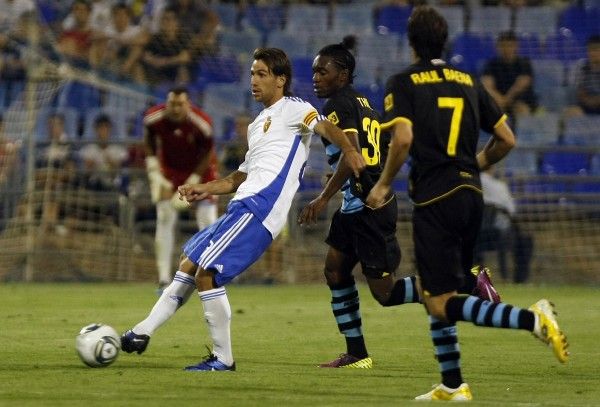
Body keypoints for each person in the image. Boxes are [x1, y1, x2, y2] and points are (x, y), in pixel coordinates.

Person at [366, 6, 568, 401]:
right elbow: (507, 139)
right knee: (433, 290)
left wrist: (384, 183)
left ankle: (532, 319)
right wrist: (469, 166)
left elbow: (403, 138)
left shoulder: (402, 81)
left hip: (435, 196)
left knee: (440, 302)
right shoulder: (469, 80)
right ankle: (453, 384)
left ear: (411, 43)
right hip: (471, 195)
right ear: (445, 41)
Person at [120, 47, 366, 371]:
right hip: (242, 204)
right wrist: (203, 188)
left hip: (260, 208)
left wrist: (349, 149)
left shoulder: (295, 108)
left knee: (207, 273)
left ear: (281, 80)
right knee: (189, 263)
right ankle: (141, 332)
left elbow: (325, 127)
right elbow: (241, 176)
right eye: (252, 73)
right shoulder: (257, 123)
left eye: (262, 74)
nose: (254, 80)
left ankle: (223, 359)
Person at [299, 36, 501, 369]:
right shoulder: (365, 103)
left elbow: (354, 159)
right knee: (334, 271)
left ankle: (467, 280)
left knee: (386, 294)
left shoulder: (336, 106)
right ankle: (356, 353)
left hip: (369, 208)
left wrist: (322, 197)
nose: (316, 78)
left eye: (323, 71)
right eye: (314, 72)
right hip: (356, 205)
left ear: (343, 74)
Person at [142, 86, 218, 291]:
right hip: (171, 173)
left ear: (188, 104)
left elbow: (208, 153)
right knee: (164, 218)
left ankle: (211, 273)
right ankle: (164, 278)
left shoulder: (202, 124)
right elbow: (148, 139)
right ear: (166, 103)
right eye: (172, 104)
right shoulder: (153, 118)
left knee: (208, 222)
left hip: (201, 173)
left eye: (180, 104)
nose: (176, 109)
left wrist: (194, 180)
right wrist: (154, 171)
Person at [474, 168, 533, 283]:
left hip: (475, 235)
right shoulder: (499, 186)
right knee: (525, 241)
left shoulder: (467, 182)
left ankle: (475, 279)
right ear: (491, 168)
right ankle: (520, 279)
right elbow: (511, 210)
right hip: (499, 236)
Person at [481, 31, 537, 119]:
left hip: (521, 101)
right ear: (497, 47)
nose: (506, 49)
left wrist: (507, 99)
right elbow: (487, 86)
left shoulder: (524, 63)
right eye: (503, 45)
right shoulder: (491, 64)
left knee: (522, 110)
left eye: (510, 45)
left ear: (516, 46)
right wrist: (500, 100)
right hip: (498, 102)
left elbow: (521, 84)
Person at [78, 113, 129, 191]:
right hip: (93, 186)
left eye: (106, 128)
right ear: (95, 129)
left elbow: (119, 171)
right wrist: (89, 166)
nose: (103, 131)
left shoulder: (118, 149)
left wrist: (110, 162)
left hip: (112, 186)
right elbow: (85, 173)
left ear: (110, 129)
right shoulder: (88, 149)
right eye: (100, 128)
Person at [571, 35, 600, 116]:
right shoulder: (582, 67)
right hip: (586, 106)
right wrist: (589, 101)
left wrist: (595, 101)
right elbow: (580, 92)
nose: (593, 53)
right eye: (590, 49)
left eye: (596, 49)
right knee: (571, 112)